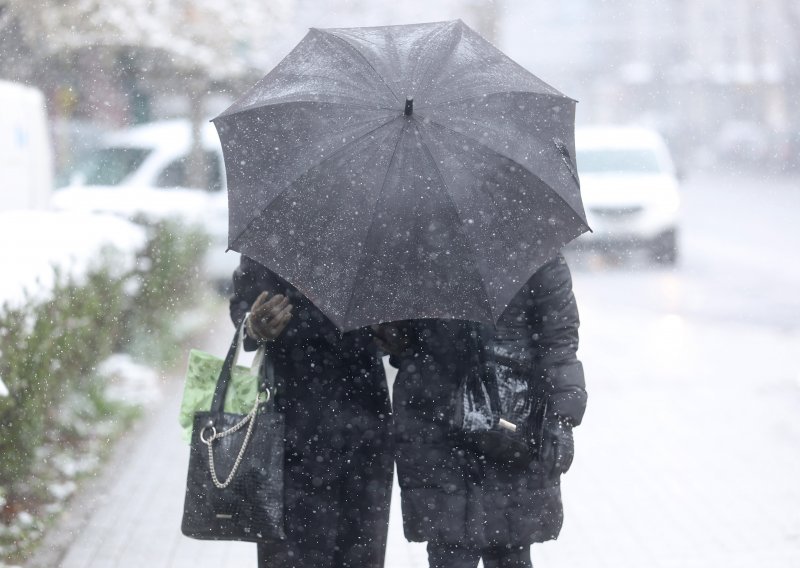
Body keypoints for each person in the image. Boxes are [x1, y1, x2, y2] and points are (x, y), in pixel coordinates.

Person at [380, 252, 586, 568]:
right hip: (439, 427)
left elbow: (558, 343)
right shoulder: (415, 253)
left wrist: (561, 418)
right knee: (451, 553)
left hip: (509, 424)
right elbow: (400, 342)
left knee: (509, 552)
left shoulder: (532, 251)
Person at [230, 255, 394, 568]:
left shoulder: (381, 240)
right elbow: (243, 307)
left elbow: (406, 324)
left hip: (364, 436)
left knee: (359, 554)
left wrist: (397, 337)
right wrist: (253, 326)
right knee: (289, 558)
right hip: (288, 432)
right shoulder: (273, 236)